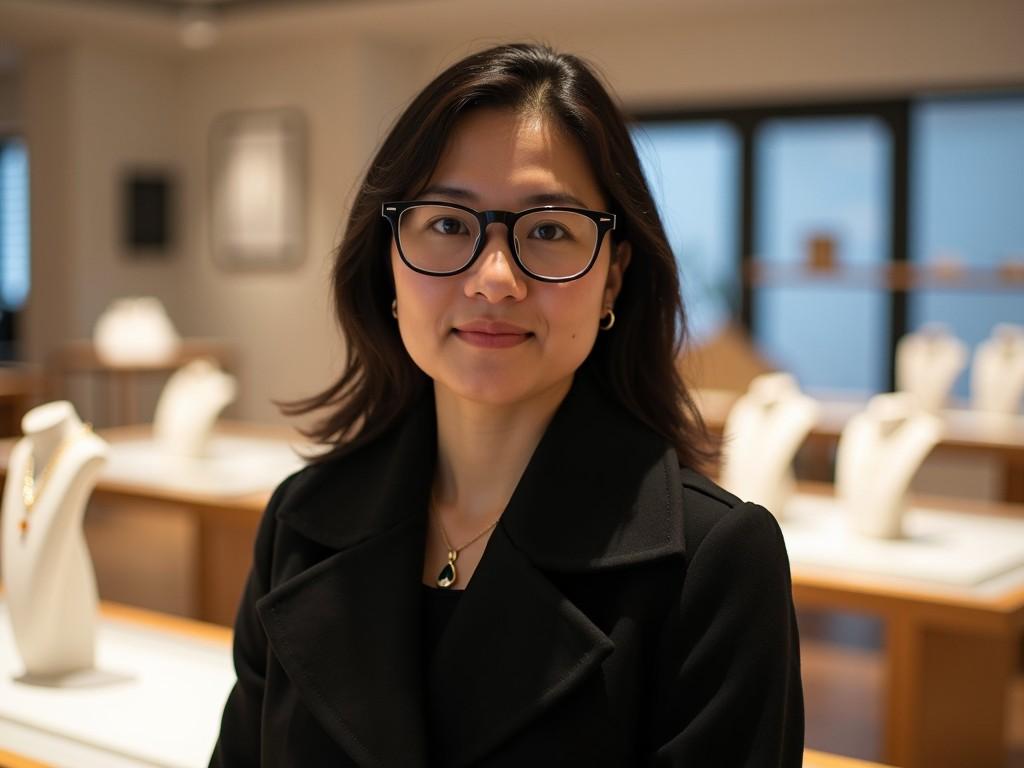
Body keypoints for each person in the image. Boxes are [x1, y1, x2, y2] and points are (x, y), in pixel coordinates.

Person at [209, 42, 803, 767]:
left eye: (548, 230)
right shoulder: (300, 525)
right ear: (389, 259)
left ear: (613, 275)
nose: (495, 279)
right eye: (449, 225)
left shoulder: (714, 567)